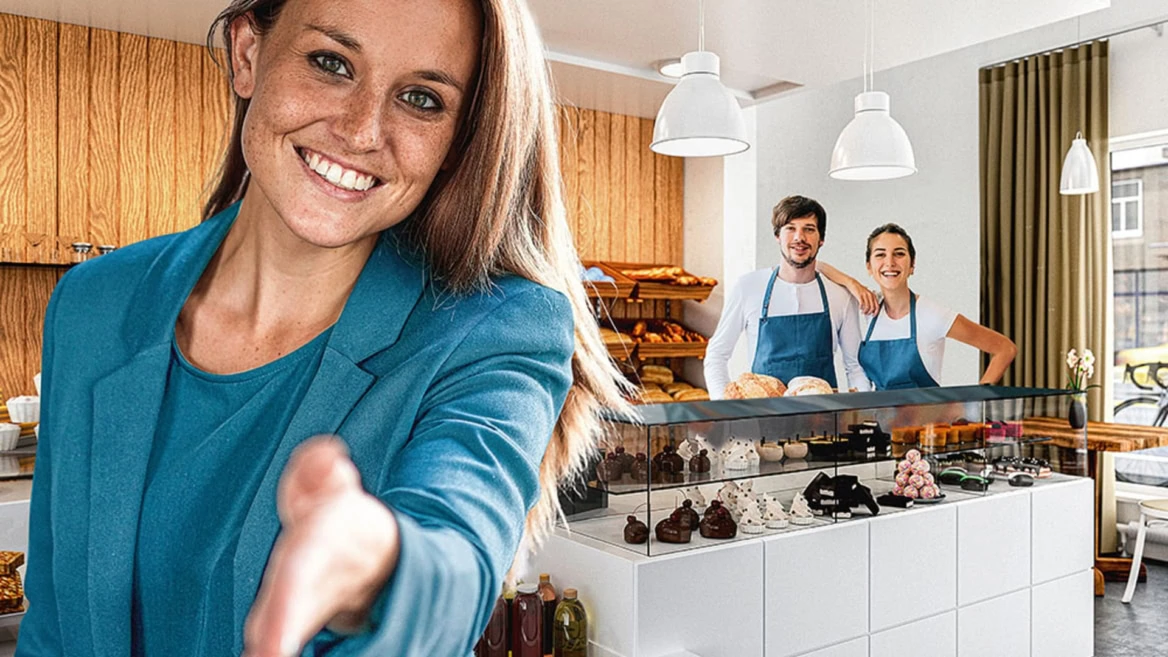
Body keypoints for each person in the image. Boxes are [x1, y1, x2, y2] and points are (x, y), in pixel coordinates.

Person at [16, 1, 625, 656]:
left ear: (457, 144)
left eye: (421, 99)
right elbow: (53, 625)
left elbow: (457, 553)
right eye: (331, 63)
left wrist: (381, 564)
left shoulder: (497, 331)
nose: (364, 129)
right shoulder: (93, 305)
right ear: (248, 53)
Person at [705, 195, 871, 399]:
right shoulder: (748, 288)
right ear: (778, 236)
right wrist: (726, 409)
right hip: (762, 423)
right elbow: (716, 355)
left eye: (809, 229)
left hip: (823, 424)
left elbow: (855, 367)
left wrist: (861, 410)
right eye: (790, 228)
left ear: (821, 239)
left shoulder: (840, 296)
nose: (799, 238)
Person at [852, 223, 1016, 389]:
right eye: (880, 255)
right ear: (869, 267)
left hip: (927, 415)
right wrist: (852, 284)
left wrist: (975, 402)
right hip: (876, 414)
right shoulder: (868, 310)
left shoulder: (932, 314)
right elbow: (825, 270)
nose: (890, 262)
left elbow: (1005, 348)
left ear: (912, 265)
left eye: (899, 254)